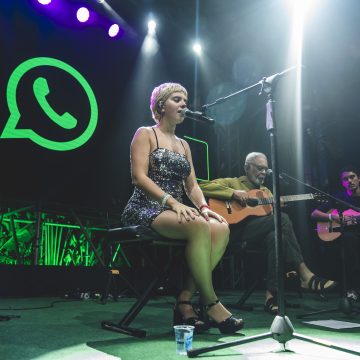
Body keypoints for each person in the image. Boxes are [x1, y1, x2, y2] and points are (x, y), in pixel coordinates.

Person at [121, 82, 244, 334]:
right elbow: (138, 178)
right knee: (198, 226)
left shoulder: (184, 144)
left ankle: (185, 300)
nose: (183, 105)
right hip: (145, 208)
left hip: (175, 210)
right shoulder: (145, 133)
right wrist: (173, 202)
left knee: (220, 227)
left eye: (185, 101)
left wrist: (203, 206)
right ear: (160, 105)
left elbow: (192, 185)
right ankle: (211, 303)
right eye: (177, 99)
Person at [199, 152, 337, 314]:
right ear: (247, 167)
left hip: (259, 236)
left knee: (278, 237)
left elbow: (273, 221)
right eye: (259, 168)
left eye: (265, 169)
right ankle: (304, 274)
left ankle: (271, 296)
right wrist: (233, 193)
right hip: (236, 234)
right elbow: (202, 186)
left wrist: (277, 206)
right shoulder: (233, 182)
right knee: (283, 219)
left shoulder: (266, 192)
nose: (263, 173)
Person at [311, 165, 360, 302]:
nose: (350, 181)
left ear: (359, 179)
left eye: (352, 177)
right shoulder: (339, 197)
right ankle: (353, 289)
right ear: (342, 182)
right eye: (346, 179)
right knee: (350, 240)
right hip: (345, 237)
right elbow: (314, 214)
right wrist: (334, 218)